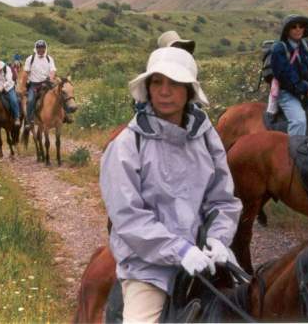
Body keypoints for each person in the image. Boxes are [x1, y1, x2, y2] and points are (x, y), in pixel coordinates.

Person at [100, 47, 243, 322]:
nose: (165, 91)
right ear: (148, 88)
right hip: (149, 267)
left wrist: (218, 238)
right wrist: (179, 250)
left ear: (189, 90)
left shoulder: (206, 135)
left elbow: (223, 200)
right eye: (157, 81)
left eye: (175, 83)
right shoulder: (127, 145)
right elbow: (128, 218)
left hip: (206, 259)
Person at [267, 14, 308, 135]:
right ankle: (294, 151)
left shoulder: (307, 46)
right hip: (286, 92)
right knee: (299, 121)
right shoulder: (279, 49)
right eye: (293, 27)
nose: (298, 29)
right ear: (287, 30)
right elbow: (287, 77)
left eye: (301, 26)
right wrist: (307, 89)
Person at [23, 40, 58, 127]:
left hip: (47, 83)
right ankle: (29, 120)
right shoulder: (30, 59)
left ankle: (65, 116)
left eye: (43, 48)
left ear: (45, 48)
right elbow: (26, 72)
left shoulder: (49, 59)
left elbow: (53, 70)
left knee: (61, 94)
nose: (41, 50)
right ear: (36, 48)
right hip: (34, 85)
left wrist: (50, 78)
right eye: (39, 48)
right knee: (30, 100)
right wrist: (24, 84)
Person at [0, 57, 21, 127]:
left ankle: (17, 117)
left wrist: (3, 87)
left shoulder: (6, 68)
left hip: (8, 88)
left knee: (14, 100)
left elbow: (9, 80)